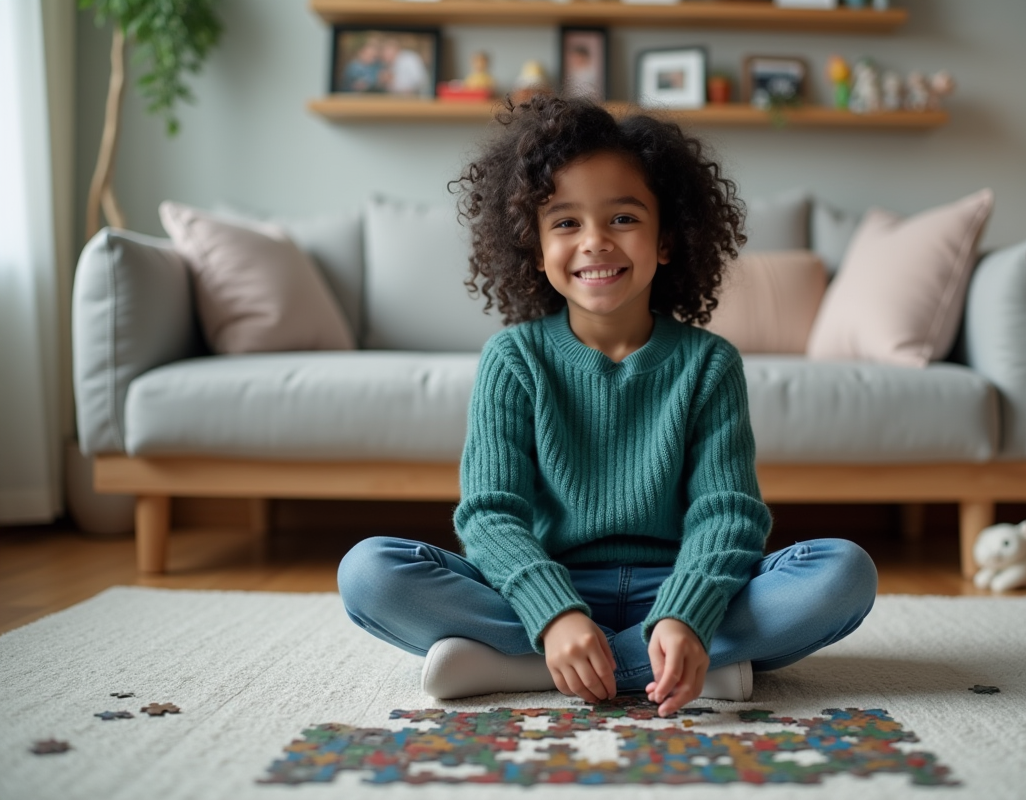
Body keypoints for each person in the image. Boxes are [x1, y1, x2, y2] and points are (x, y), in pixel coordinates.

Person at [338, 95, 877, 717]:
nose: (595, 242)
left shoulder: (709, 363)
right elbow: (490, 515)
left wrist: (686, 613)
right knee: (370, 572)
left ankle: (530, 667)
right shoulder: (512, 359)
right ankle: (677, 665)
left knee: (843, 572)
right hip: (543, 586)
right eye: (565, 223)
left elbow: (727, 513)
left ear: (667, 239)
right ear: (535, 249)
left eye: (623, 218)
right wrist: (556, 614)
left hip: (678, 584)